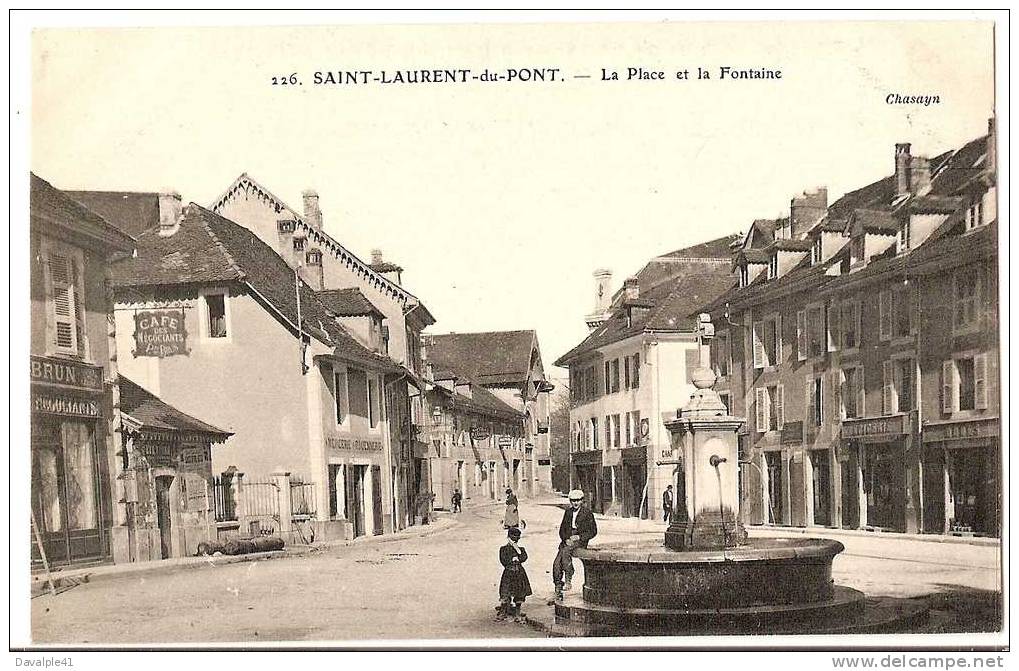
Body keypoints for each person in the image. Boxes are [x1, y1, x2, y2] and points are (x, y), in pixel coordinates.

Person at [550, 489, 597, 603]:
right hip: (567, 540)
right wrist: (566, 539)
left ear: (582, 501)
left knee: (565, 552)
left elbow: (593, 531)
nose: (575, 503)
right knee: (557, 563)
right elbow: (562, 529)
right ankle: (558, 588)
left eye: (578, 500)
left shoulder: (587, 513)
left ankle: (568, 578)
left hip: (579, 540)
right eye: (573, 501)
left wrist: (579, 537)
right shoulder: (568, 512)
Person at [496, 526, 532, 623]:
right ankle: (503, 611)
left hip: (519, 572)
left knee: (519, 592)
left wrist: (518, 557)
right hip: (508, 572)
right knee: (505, 592)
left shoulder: (521, 549)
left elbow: (524, 557)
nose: (515, 540)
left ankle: (517, 611)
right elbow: (503, 560)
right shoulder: (503, 549)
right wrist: (512, 559)